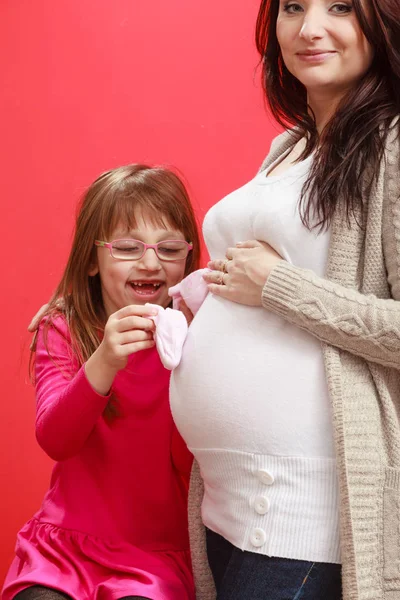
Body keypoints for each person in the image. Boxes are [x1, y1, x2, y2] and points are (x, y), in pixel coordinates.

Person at [169, 0, 400, 599]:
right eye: (293, 7)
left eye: (341, 7)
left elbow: (277, 282)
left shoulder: (393, 145)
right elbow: (250, 274)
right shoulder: (290, 148)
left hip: (307, 509)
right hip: (228, 502)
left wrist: (279, 287)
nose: (309, 28)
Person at [2, 164, 201, 600]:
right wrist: (105, 359)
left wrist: (200, 340)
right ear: (92, 261)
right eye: (128, 247)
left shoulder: (199, 337)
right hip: (62, 549)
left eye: (169, 248)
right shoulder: (63, 326)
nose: (151, 262)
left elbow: (195, 461)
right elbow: (56, 439)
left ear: (188, 257)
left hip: (154, 557)